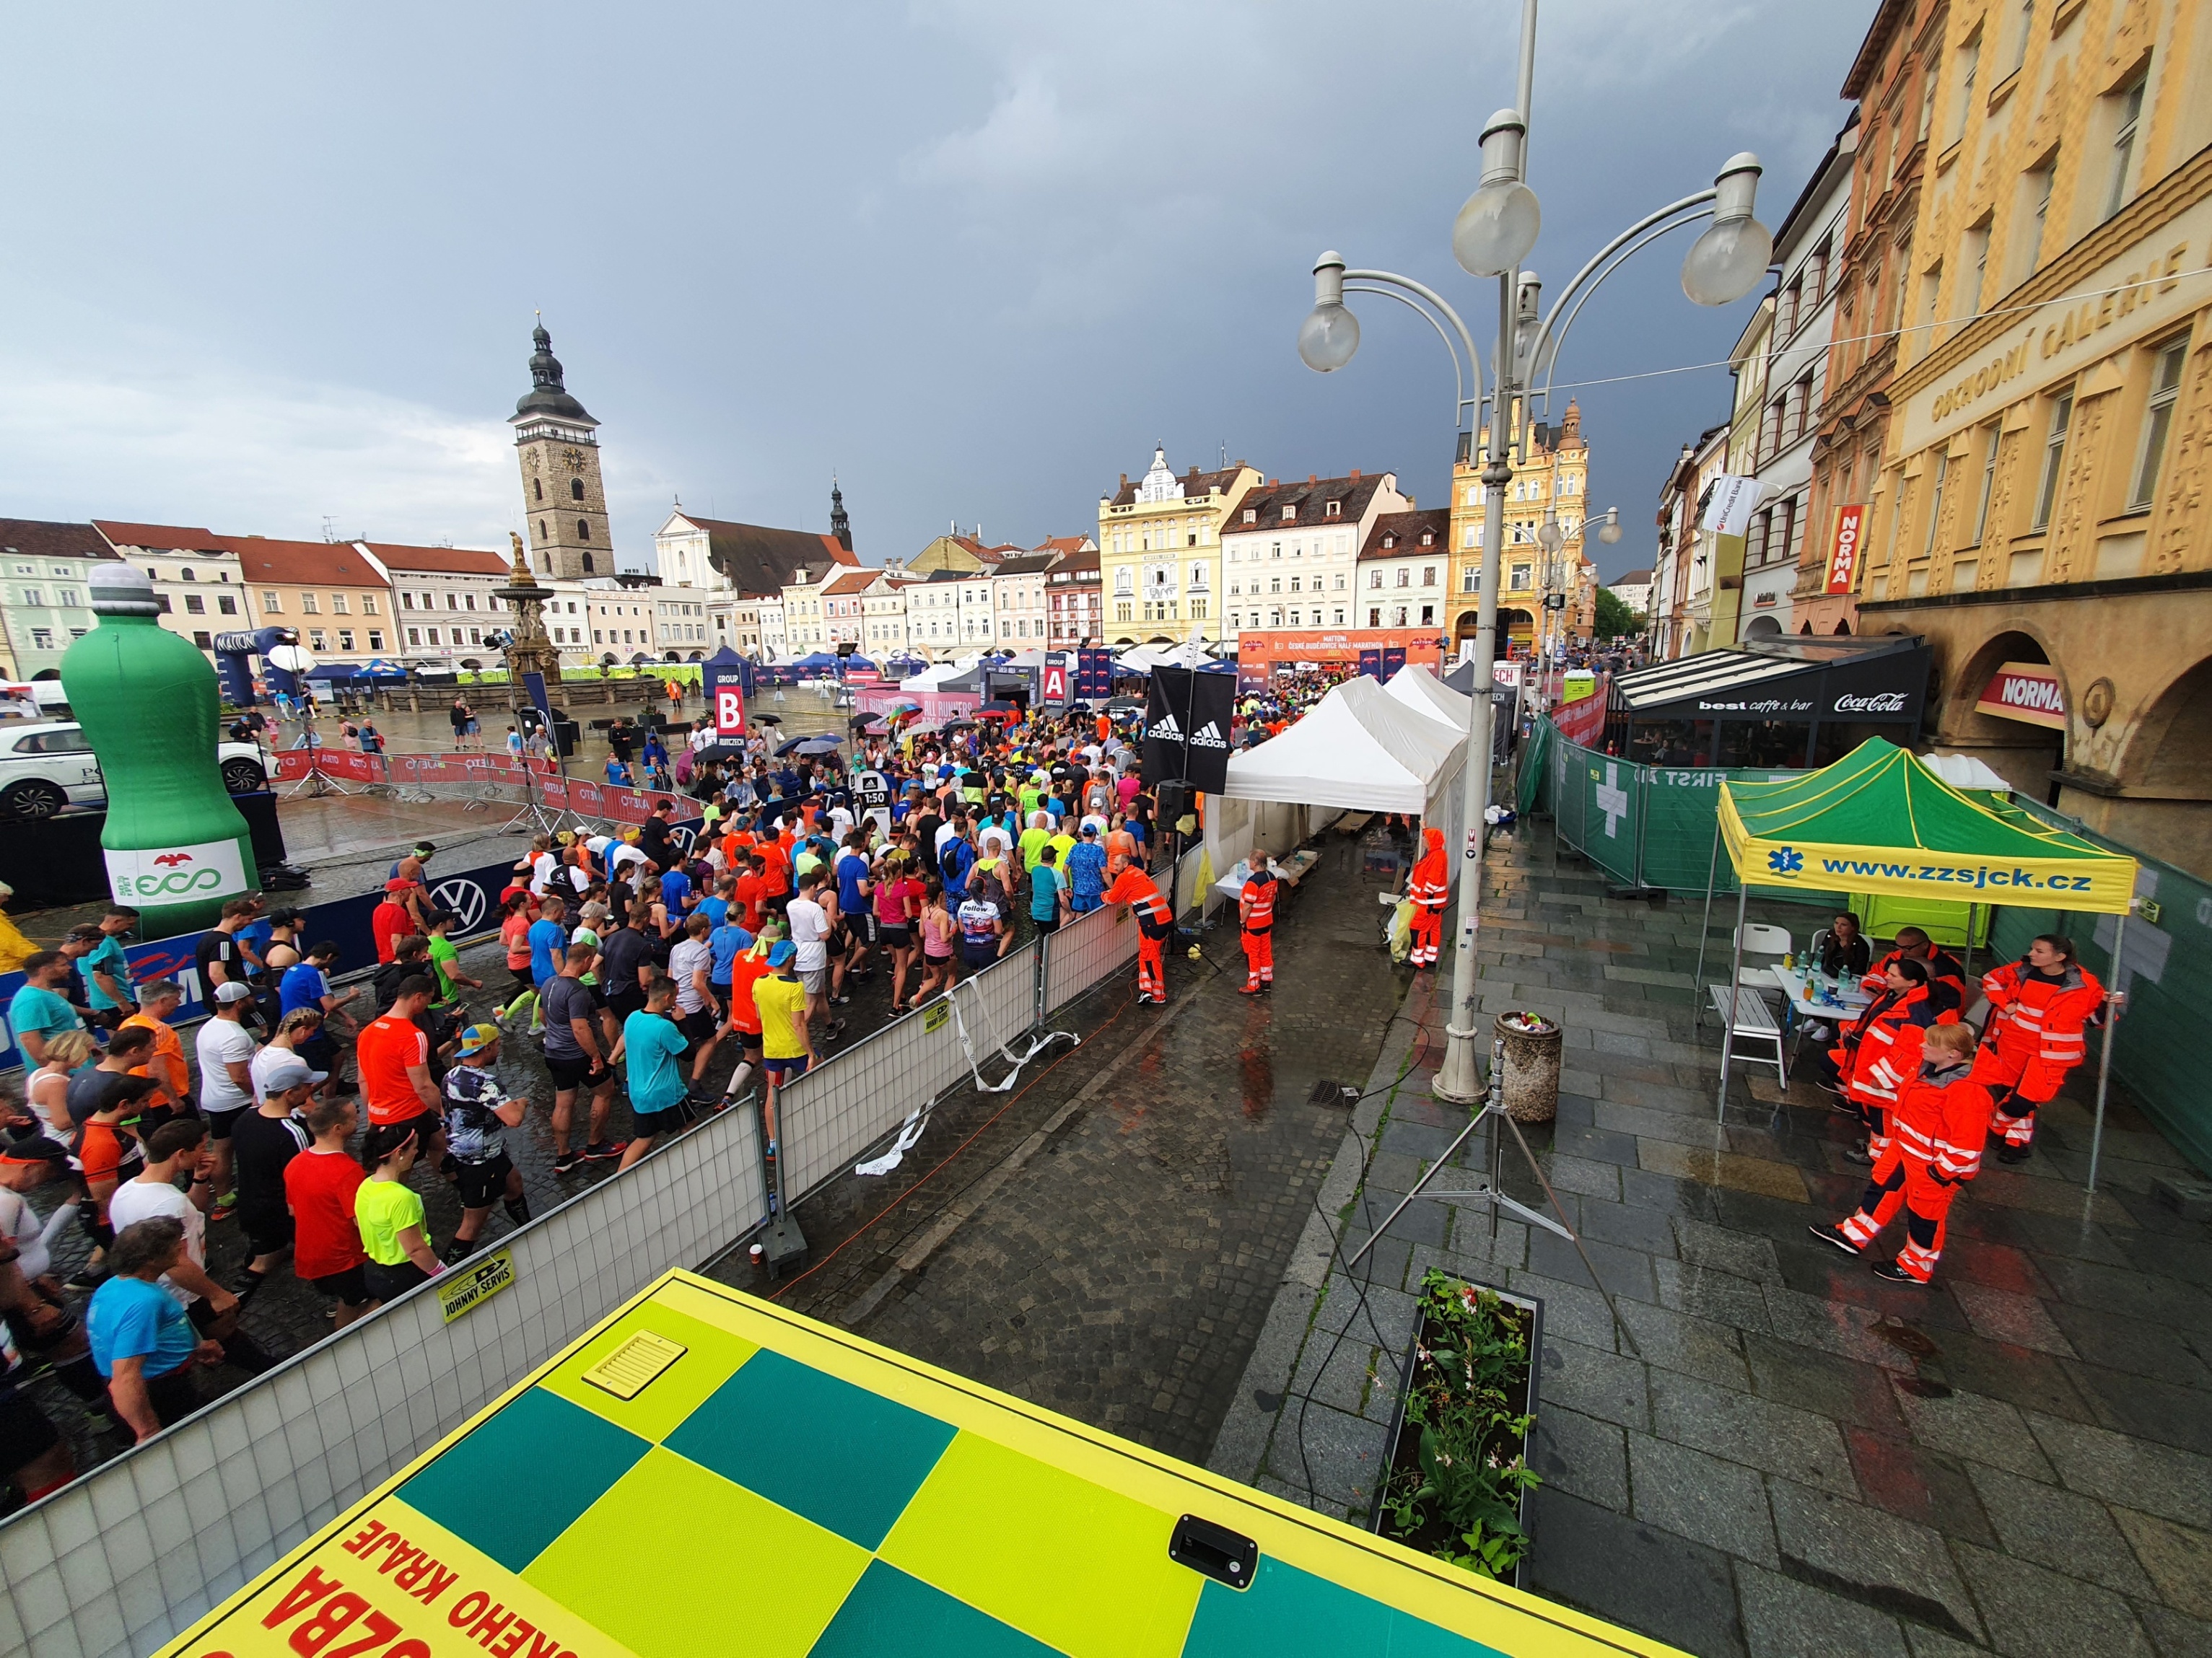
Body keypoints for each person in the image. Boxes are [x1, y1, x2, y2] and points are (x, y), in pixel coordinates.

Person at [1811, 1024, 1995, 1284]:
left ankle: (1917, 1267)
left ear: (1953, 1054)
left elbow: (1967, 1144)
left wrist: (1939, 1173)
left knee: (1925, 1216)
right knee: (1881, 1189)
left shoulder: (1967, 1091)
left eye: (1930, 1044)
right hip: (1906, 1150)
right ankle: (1855, 1235)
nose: (1922, 1046)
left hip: (1931, 1165)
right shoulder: (1929, 1070)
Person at [108, 1118, 268, 1374]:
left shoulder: (127, 1191)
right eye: (201, 1148)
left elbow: (192, 1208)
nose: (206, 1153)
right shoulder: (167, 1203)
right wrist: (216, 1294)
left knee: (217, 1338)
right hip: (184, 1294)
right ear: (181, 1154)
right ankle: (271, 1371)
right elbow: (177, 1263)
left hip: (166, 1291)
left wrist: (201, 1179)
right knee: (227, 1335)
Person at [1975, 934, 2117, 1164]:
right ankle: (2016, 1143)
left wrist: (2105, 1006)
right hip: (2014, 1043)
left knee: (2023, 1100)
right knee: (2010, 1092)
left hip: (2053, 1054)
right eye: (2033, 949)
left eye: (2039, 951)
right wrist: (2006, 1005)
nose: (2031, 954)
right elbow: (1990, 980)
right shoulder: (2022, 970)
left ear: (2060, 957)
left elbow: (2095, 1020)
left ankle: (1996, 1126)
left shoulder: (2085, 984)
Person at [87, 1218, 222, 1441]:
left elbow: (163, 1325)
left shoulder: (112, 1287)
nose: (180, 1247)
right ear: (150, 1260)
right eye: (174, 1246)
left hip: (161, 1387)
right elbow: (125, 1378)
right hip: (162, 1396)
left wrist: (195, 1345)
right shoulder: (144, 1302)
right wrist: (148, 1433)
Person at [1822, 957, 1949, 1164]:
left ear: (1912, 983)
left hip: (1885, 1076)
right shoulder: (1895, 997)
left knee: (1882, 1118)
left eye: (1893, 975)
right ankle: (1876, 1148)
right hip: (1872, 1065)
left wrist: (1884, 1078)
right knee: (1874, 1114)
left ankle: (1878, 1157)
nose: (1886, 977)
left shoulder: (1915, 1012)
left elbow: (1908, 1053)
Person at [229, 1056, 320, 1299]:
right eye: (308, 1086)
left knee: (262, 1260)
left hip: (251, 1204)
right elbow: (306, 1176)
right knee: (316, 1253)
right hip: (283, 1211)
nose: (312, 1090)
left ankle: (232, 1303)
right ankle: (334, 1294)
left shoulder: (245, 1119)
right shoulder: (292, 1132)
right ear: (290, 1093)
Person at [440, 1025, 530, 1262]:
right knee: (472, 1226)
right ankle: (445, 1277)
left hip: (477, 1153)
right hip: (479, 1165)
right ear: (487, 1047)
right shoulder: (486, 1083)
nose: (499, 1050)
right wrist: (521, 1103)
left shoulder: (451, 1075)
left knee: (514, 1183)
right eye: (498, 1046)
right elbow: (514, 1119)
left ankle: (530, 1229)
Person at [284, 1097, 375, 1328]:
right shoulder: (347, 1171)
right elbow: (360, 1221)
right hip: (343, 1259)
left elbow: (293, 1210)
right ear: (338, 1129)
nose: (358, 1119)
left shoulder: (295, 1164)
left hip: (311, 1256)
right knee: (356, 1301)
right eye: (354, 1118)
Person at [543, 942, 622, 1173]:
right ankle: (595, 1145)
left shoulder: (550, 982)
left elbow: (545, 1017)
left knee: (563, 1103)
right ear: (586, 961)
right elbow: (579, 1029)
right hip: (577, 1054)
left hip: (554, 1053)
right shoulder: (577, 990)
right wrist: (596, 1057)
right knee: (605, 1091)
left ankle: (564, 1155)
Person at [357, 977, 445, 1164]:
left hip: (383, 1115)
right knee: (401, 1168)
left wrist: (372, 1116)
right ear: (418, 997)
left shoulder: (368, 1032)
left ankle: (452, 1178)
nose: (429, 1004)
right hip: (409, 1114)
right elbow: (423, 1086)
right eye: (429, 999)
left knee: (439, 1141)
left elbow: (363, 1080)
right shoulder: (413, 1036)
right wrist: (445, 1111)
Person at [193, 981, 261, 1221]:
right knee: (252, 1150)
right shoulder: (234, 1036)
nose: (254, 1000)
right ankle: (255, 1195)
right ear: (240, 1003)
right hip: (237, 1102)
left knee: (221, 1150)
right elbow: (239, 1076)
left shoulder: (209, 1027)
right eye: (250, 997)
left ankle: (223, 1200)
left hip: (214, 1099)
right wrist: (259, 1094)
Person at [355, 1126, 443, 1302]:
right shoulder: (401, 1197)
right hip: (407, 1274)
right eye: (414, 1148)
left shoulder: (366, 1186)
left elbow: (359, 1223)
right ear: (399, 1153)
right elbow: (415, 1249)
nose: (417, 1152)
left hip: (375, 1269)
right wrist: (442, 1273)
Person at [618, 978, 696, 1172]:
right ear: (667, 998)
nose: (676, 1001)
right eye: (675, 997)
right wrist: (683, 1022)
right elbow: (689, 1054)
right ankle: (695, 1165)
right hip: (667, 1095)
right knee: (691, 1127)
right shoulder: (664, 1027)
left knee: (644, 1138)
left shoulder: (632, 1018)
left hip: (640, 1095)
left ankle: (617, 1180)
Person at [753, 941, 813, 1149]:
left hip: (772, 1051)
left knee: (771, 1092)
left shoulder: (758, 983)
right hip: (796, 1049)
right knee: (822, 1074)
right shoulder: (795, 987)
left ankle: (773, 1143)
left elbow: (759, 1015)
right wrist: (811, 1053)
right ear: (790, 959)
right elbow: (799, 1025)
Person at [668, 913, 723, 1099]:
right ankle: (694, 1084)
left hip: (675, 1004)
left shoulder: (676, 948)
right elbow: (697, 983)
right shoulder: (701, 951)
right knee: (710, 1040)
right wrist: (712, 1001)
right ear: (703, 930)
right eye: (709, 926)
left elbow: (670, 977)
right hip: (692, 1005)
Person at [1103, 854, 1171, 1005]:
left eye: (1117, 864)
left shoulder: (1124, 877)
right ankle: (1147, 990)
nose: (1114, 867)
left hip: (1151, 924)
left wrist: (1103, 894)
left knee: (1150, 959)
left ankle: (1157, 995)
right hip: (1162, 919)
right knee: (1147, 957)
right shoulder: (1138, 872)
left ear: (1126, 864)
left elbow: (1112, 899)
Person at [120, 981, 189, 1125]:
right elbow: (156, 1070)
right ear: (163, 1001)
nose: (179, 1002)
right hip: (164, 1099)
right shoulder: (158, 1029)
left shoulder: (128, 1024)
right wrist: (173, 1098)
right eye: (176, 998)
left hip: (142, 1098)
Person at [1864, 926, 1966, 1014]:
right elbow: (1873, 975)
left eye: (1908, 948)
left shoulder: (1946, 969)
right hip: (1893, 1005)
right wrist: (1876, 988)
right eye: (1899, 946)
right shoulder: (1896, 956)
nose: (1902, 951)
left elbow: (1949, 1005)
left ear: (1925, 945)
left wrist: (1891, 997)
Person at [8, 952, 83, 1070]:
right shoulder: (31, 999)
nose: (69, 968)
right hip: (62, 1074)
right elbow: (29, 1039)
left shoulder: (47, 993)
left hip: (74, 1067)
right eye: (63, 965)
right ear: (44, 970)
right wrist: (53, 1070)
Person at [81, 906, 139, 1032]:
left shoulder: (92, 939)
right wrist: (122, 1002)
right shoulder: (103, 943)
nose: (131, 928)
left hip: (105, 1002)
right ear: (117, 921)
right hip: (113, 1003)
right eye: (129, 924)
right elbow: (101, 976)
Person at [1406, 828, 1448, 970]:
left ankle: (1417, 960)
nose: (1423, 839)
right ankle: (1430, 958)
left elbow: (1433, 881)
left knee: (1417, 929)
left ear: (1431, 842)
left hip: (1428, 902)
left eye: (1425, 838)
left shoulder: (1435, 857)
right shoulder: (1438, 854)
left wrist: (1424, 893)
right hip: (1435, 902)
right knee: (1432, 929)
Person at [1238, 853, 1279, 994]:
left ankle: (1254, 986)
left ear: (1255, 862)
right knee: (1265, 951)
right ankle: (1266, 981)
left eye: (1250, 860)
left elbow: (1248, 906)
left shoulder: (1253, 882)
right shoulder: (1271, 877)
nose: (1249, 862)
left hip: (1254, 924)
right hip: (1266, 920)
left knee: (1253, 954)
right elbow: (1273, 897)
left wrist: (1243, 921)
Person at [1065, 823, 1107, 914]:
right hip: (1095, 890)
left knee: (1079, 917)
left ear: (1083, 834)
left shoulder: (1075, 848)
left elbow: (1065, 869)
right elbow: (1104, 872)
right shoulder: (1098, 850)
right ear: (1094, 835)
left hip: (1078, 889)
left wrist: (1068, 886)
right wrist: (1112, 888)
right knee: (1098, 916)